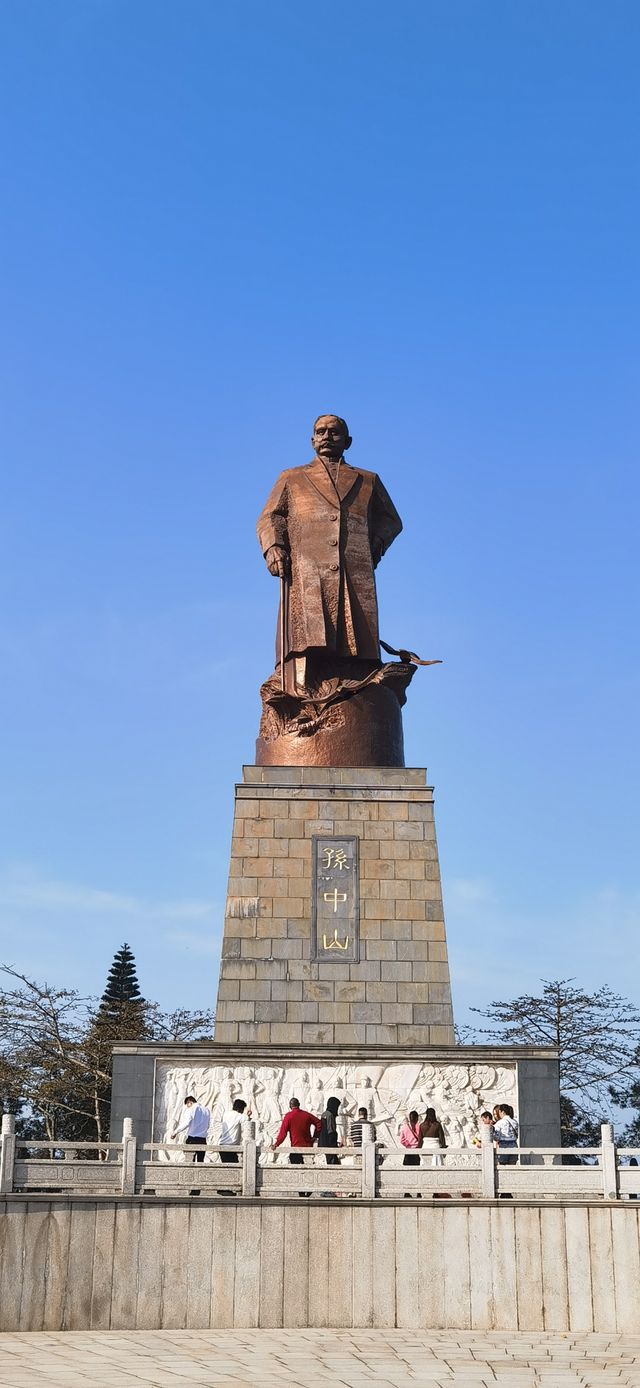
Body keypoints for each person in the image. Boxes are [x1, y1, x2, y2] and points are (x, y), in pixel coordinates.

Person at [257, 414, 402, 692]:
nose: (326, 437)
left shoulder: (368, 480)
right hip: (307, 566)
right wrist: (274, 547)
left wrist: (375, 546)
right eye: (320, 432)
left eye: (334, 432)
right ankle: (302, 687)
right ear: (312, 440)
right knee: (307, 631)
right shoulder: (293, 477)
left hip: (353, 565)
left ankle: (360, 683)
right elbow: (269, 517)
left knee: (356, 631)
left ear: (347, 441)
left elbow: (391, 520)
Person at [272, 1097, 321, 1197]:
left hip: (296, 1147)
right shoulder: (306, 1115)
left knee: (297, 1169)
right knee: (308, 1168)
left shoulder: (289, 1116)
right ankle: (309, 1187)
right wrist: (315, 1136)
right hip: (308, 1146)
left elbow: (283, 1133)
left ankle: (301, 1191)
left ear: (290, 1106)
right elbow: (319, 1123)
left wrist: (276, 1144)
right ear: (299, 1104)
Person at [218, 1098, 252, 1192]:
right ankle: (224, 1189)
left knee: (227, 1168)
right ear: (241, 1109)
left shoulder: (226, 1114)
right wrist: (248, 1113)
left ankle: (226, 1189)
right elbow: (246, 1119)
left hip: (222, 1144)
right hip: (230, 1146)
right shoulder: (238, 1116)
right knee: (232, 1168)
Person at [171, 1095, 210, 1163]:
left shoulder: (191, 1109)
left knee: (190, 1162)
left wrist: (175, 1132)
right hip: (203, 1140)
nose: (187, 1107)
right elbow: (208, 1124)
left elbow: (186, 1123)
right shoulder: (206, 1110)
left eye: (187, 1105)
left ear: (190, 1102)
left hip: (192, 1138)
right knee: (200, 1161)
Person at [317, 1096, 341, 1195]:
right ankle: (329, 1191)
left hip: (322, 1145)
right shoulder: (330, 1115)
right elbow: (331, 1131)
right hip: (329, 1147)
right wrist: (334, 1146)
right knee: (332, 1168)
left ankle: (326, 1190)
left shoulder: (324, 1114)